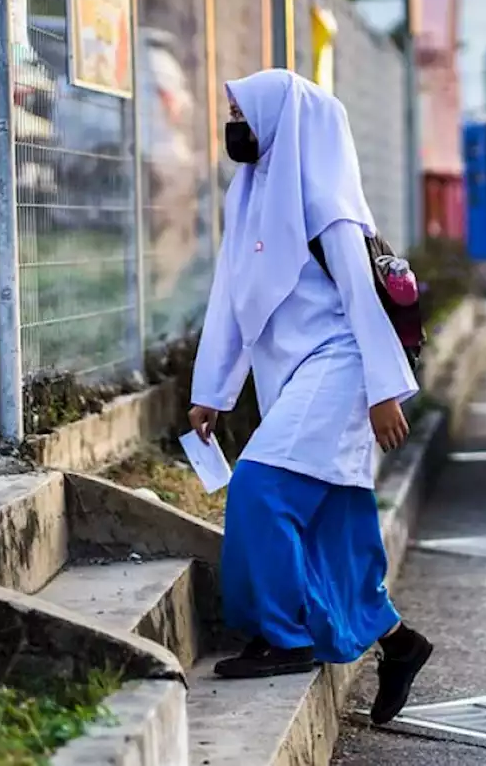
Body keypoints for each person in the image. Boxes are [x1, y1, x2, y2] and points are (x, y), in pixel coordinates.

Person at [187, 69, 433, 725]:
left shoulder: (329, 205)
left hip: (342, 369)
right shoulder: (249, 197)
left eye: (241, 114)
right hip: (297, 379)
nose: (233, 125)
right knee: (332, 529)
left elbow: (361, 298)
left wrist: (384, 391)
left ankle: (285, 637)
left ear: (278, 123)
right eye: (232, 112)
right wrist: (211, 393)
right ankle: (399, 643)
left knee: (261, 489)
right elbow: (231, 300)